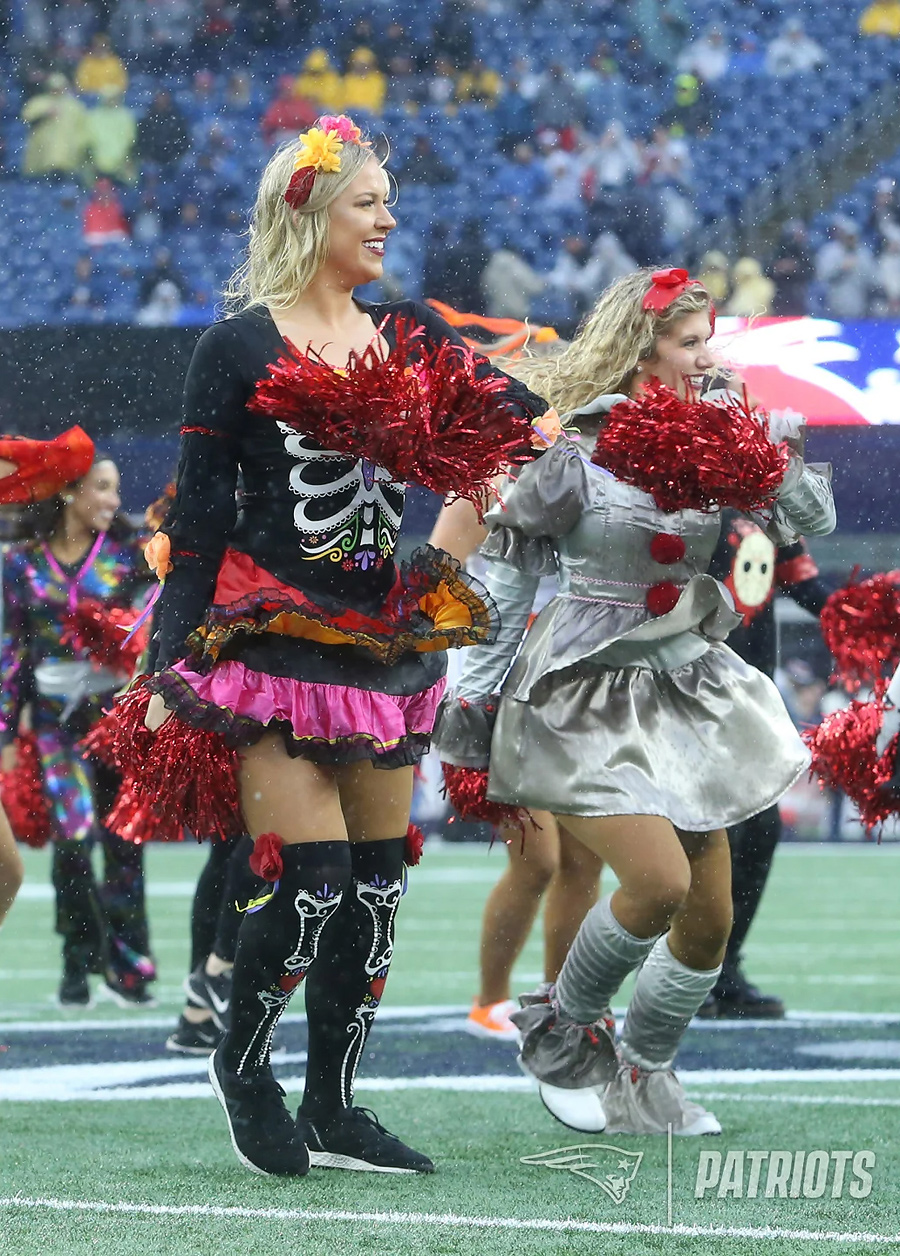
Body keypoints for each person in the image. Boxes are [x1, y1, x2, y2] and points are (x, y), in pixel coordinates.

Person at [110, 115, 544, 1177]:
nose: (390, 217)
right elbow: (202, 515)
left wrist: (560, 402)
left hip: (385, 639)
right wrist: (170, 665)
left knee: (376, 887)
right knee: (309, 884)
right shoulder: (238, 346)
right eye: (368, 201)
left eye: (389, 200)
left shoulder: (408, 332)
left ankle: (336, 1104)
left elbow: (515, 417)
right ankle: (242, 1061)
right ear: (309, 210)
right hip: (268, 641)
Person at [435, 267, 835, 1136]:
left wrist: (774, 446)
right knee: (655, 884)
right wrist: (472, 702)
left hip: (685, 680)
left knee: (709, 921)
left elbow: (812, 521)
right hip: (582, 686)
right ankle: (562, 1032)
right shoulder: (575, 449)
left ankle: (645, 1075)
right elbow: (504, 579)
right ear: (641, 349)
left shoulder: (719, 438)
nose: (706, 358)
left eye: (708, 342)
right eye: (689, 343)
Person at [429, 493, 604, 1040]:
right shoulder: (485, 487)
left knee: (586, 861)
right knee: (537, 859)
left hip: (580, 685)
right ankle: (491, 1001)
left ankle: (564, 1004)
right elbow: (431, 587)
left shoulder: (597, 481)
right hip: (498, 694)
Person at [0, 453, 157, 1005]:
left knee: (123, 843)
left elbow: (167, 600)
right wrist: (2, 734)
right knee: (73, 839)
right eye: (104, 488)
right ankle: (79, 960)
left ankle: (131, 965)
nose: (115, 501)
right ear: (69, 492)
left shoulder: (127, 554)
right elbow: (9, 653)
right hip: (52, 726)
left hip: (114, 720)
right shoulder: (21, 564)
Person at [699, 505, 835, 1018]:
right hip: (690, 690)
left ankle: (721, 967)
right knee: (709, 834)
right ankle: (687, 969)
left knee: (758, 831)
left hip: (751, 698)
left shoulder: (764, 503)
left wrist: (867, 615)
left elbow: (808, 589)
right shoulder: (673, 481)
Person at [0, 428, 96, 932]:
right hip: (58, 717)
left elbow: (73, 453)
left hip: (101, 713)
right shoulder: (22, 561)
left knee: (7, 873)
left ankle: (119, 967)